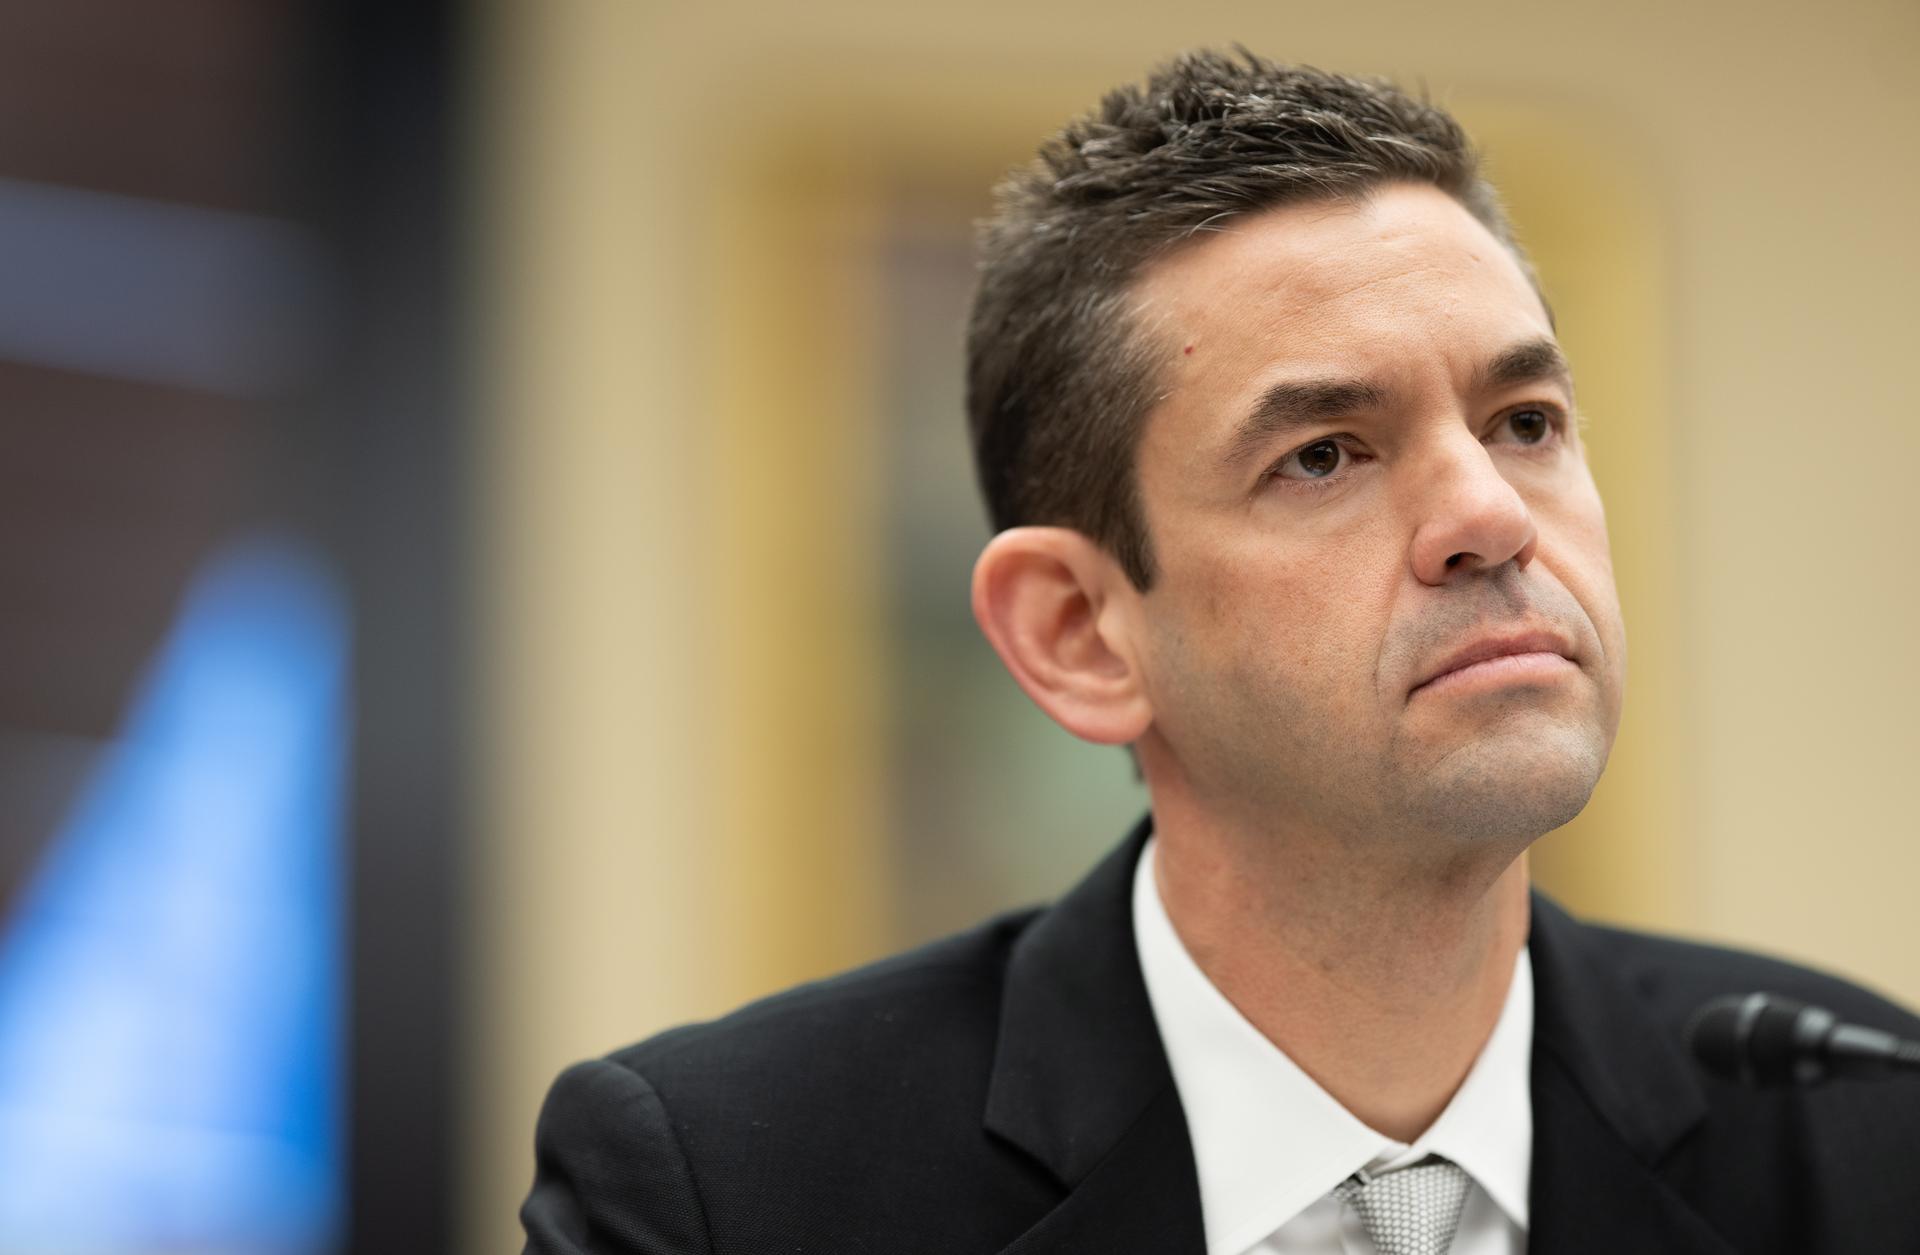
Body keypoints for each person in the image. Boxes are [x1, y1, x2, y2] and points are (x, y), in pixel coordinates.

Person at [521, 50, 1920, 1254]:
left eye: (1526, 423)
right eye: (1324, 455)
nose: (1491, 519)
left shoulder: (1858, 1130)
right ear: (1079, 636)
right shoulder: (728, 1193)